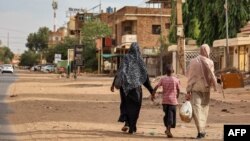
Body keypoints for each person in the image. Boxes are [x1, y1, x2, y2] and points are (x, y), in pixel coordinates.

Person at [111, 42, 154, 134]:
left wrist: (113, 84)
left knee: (126, 105)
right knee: (135, 108)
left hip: (125, 88)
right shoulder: (140, 60)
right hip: (136, 89)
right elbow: (144, 76)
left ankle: (127, 123)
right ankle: (132, 126)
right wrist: (151, 90)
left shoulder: (126, 58)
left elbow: (120, 71)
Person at [185, 44, 217, 139]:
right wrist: (214, 84)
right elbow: (211, 76)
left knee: (196, 109)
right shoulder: (210, 62)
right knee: (204, 109)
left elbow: (190, 76)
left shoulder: (193, 61)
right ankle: (202, 130)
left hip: (195, 88)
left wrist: (188, 90)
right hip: (206, 89)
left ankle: (200, 131)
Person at [151, 64, 180, 138]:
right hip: (173, 101)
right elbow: (178, 89)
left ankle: (167, 128)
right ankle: (168, 130)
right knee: (171, 116)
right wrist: (177, 96)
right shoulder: (176, 80)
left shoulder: (163, 79)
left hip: (165, 101)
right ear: (173, 71)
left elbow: (156, 87)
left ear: (165, 72)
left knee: (167, 115)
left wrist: (153, 94)